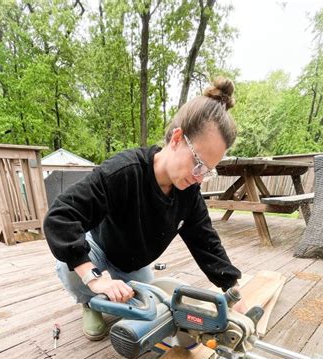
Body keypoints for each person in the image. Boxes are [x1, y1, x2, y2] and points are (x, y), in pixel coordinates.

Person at [44, 76, 245, 341]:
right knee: (68, 267)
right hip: (101, 252)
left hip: (134, 266)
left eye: (207, 171)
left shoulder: (189, 193)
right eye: (198, 164)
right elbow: (60, 217)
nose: (199, 177)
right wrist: (95, 278)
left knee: (152, 304)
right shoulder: (124, 172)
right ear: (176, 138)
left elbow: (206, 242)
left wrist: (233, 290)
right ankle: (89, 302)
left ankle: (110, 291)